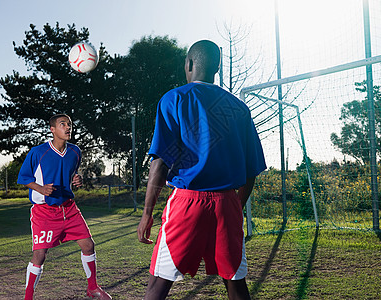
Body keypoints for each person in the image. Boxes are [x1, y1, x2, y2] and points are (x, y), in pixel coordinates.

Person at [137, 40, 267, 300]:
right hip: (227, 202)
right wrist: (234, 207)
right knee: (235, 283)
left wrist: (148, 213)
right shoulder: (239, 108)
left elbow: (161, 162)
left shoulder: (174, 99)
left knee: (157, 285)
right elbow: (251, 170)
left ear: (189, 63)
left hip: (188, 203)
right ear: (216, 68)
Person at [17, 114, 111, 300]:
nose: (68, 127)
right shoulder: (38, 152)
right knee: (40, 255)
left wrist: (77, 179)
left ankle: (92, 288)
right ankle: (28, 297)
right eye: (63, 124)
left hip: (69, 208)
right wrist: (41, 188)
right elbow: (24, 178)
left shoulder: (75, 152)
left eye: (70, 124)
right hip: (44, 212)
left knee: (88, 245)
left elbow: (72, 174)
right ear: (52, 129)